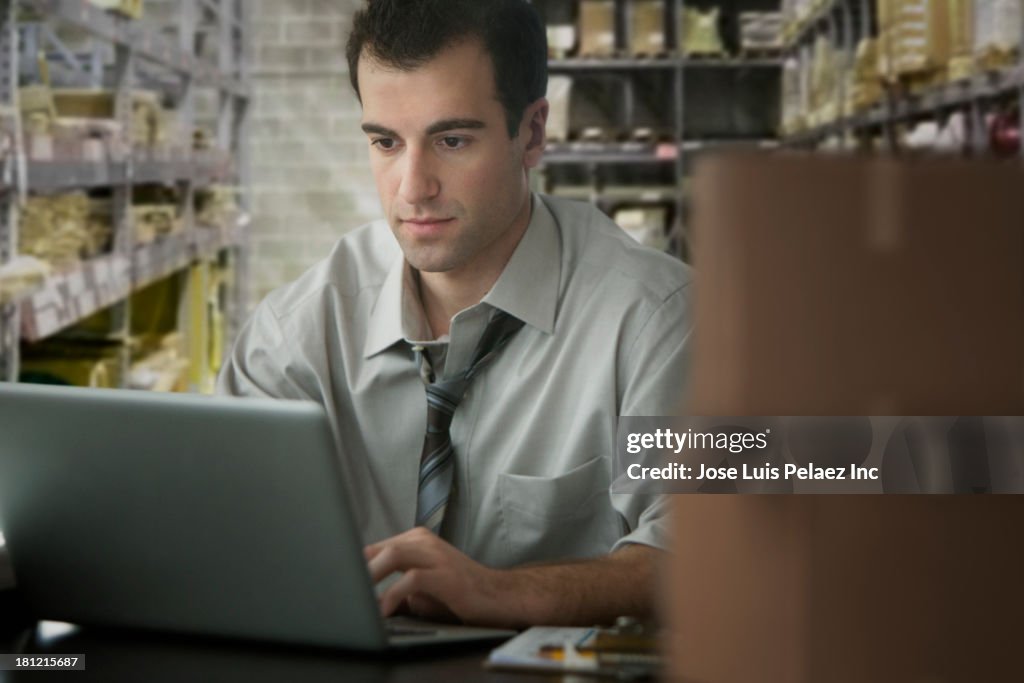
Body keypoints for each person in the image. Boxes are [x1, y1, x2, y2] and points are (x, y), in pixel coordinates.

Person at [217, 0, 692, 629]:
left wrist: (503, 593)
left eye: (452, 140)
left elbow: (732, 544)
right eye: (385, 142)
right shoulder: (295, 334)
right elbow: (219, 541)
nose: (413, 187)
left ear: (532, 134)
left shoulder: (660, 319)